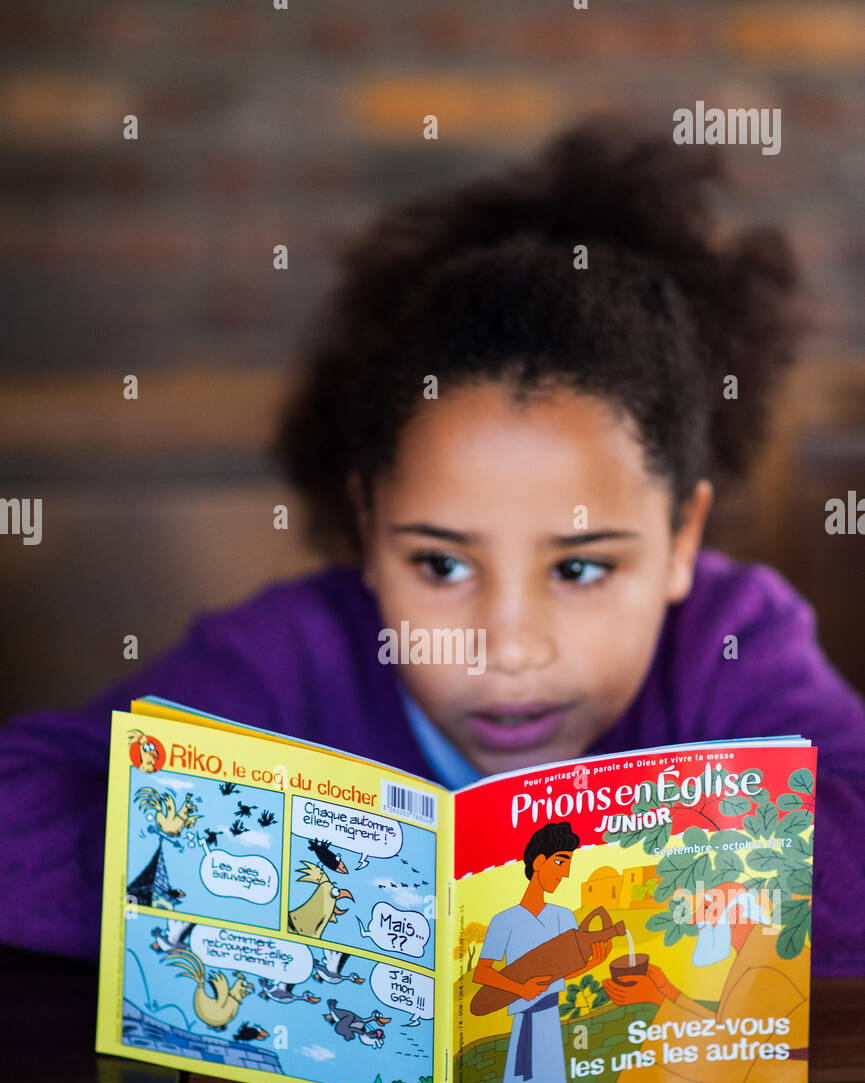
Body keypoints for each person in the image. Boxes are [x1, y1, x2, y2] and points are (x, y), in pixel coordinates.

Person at [2, 118, 864, 970]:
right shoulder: (290, 655)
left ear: (682, 538)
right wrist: (269, 882)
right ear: (370, 531)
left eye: (580, 567)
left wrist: (569, 882)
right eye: (442, 565)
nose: (510, 646)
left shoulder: (730, 641)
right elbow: (23, 805)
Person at [473, 823, 611, 1083]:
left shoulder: (562, 916)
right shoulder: (504, 920)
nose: (565, 873)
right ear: (538, 862)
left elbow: (566, 969)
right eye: (560, 861)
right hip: (523, 1017)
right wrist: (520, 990)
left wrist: (591, 964)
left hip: (550, 1014)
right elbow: (482, 974)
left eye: (568, 864)